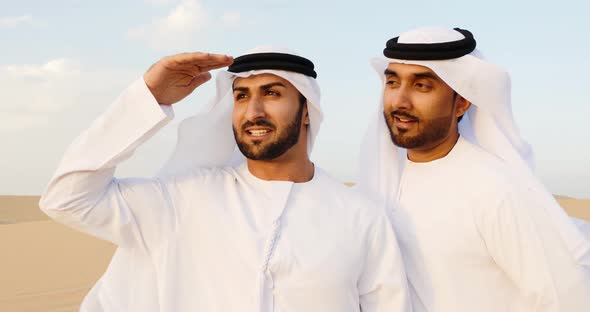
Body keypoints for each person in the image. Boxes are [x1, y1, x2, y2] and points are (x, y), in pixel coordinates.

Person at [40, 47, 411, 311]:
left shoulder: (361, 216)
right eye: (241, 96)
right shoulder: (180, 199)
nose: (253, 111)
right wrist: (149, 97)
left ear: (308, 111)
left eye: (272, 93)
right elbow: (67, 199)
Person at [357, 27, 590, 311]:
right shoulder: (380, 180)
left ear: (462, 103)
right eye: (393, 83)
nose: (400, 101)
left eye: (422, 86)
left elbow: (565, 298)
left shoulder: (494, 187)